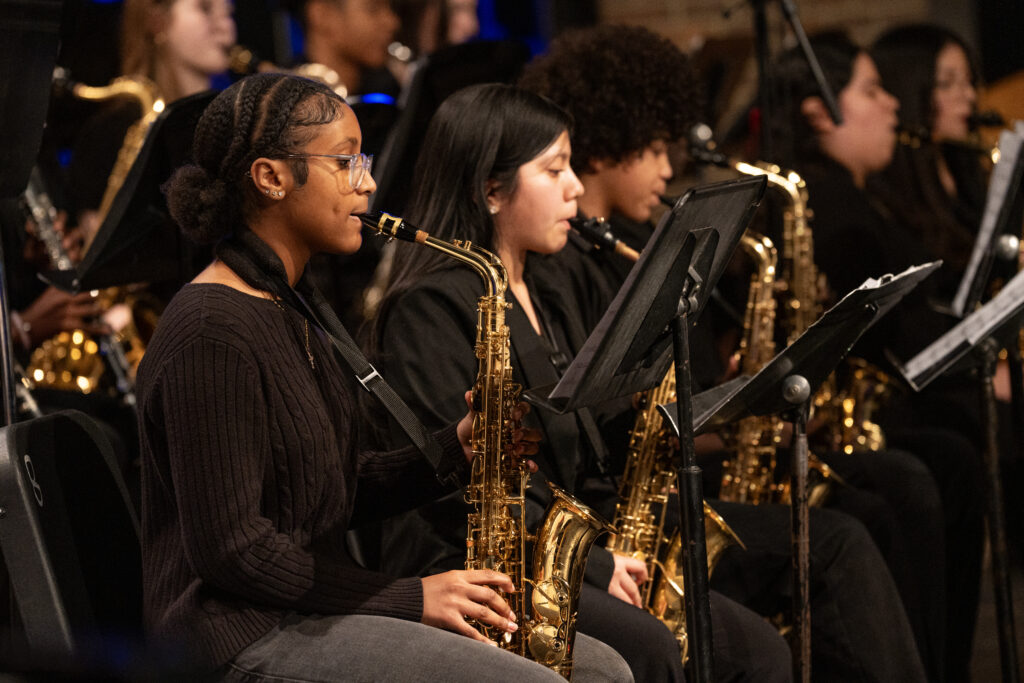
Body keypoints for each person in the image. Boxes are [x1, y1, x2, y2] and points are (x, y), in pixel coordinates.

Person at [139, 72, 631, 682]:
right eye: (345, 162)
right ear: (270, 178)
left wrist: (459, 446)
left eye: (363, 160)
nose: (368, 182)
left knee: (602, 669)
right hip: (236, 635)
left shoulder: (291, 304)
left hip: (304, 609)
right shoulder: (212, 328)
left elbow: (332, 491)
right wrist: (410, 598)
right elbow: (234, 553)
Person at [517, 24, 938, 682]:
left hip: (658, 486)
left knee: (880, 503)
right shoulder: (571, 265)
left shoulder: (625, 244)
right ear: (604, 148)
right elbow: (611, 424)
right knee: (842, 538)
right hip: (623, 509)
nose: (667, 169)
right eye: (655, 149)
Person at [370, 81, 811, 682]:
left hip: (569, 543)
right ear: (492, 190)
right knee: (656, 651)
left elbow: (599, 431)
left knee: (757, 649)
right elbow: (462, 490)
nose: (576, 187)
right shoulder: (428, 308)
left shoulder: (551, 285)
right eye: (555, 170)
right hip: (484, 562)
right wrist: (599, 564)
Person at [766, 31, 986, 682]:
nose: (893, 104)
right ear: (816, 112)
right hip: (833, 420)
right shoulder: (827, 205)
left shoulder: (862, 193)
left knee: (949, 455)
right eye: (871, 91)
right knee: (936, 466)